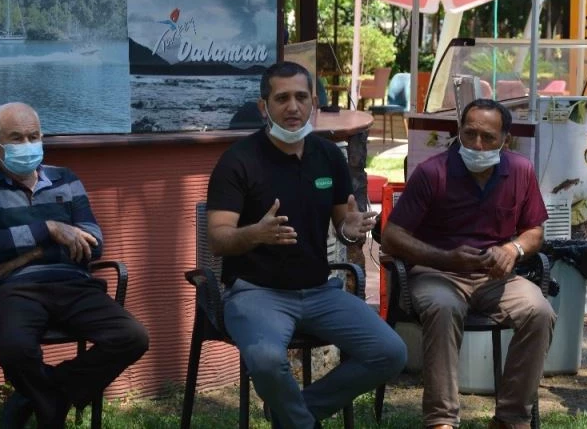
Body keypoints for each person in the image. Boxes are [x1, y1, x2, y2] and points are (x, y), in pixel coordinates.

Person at [206, 61, 407, 429]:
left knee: (390, 352)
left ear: (314, 103)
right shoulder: (238, 160)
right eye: (282, 98)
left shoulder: (327, 155)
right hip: (256, 293)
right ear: (264, 107)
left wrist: (350, 229)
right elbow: (218, 239)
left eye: (301, 97)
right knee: (266, 361)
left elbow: (343, 225)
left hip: (319, 291)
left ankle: (292, 413)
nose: (293, 107)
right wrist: (256, 234)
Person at [0, 102, 149, 429]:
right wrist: (50, 229)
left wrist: (28, 254)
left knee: (132, 337)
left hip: (73, 285)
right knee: (15, 350)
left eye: (33, 136)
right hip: (14, 291)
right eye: (16, 138)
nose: (27, 144)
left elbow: (93, 243)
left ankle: (41, 397)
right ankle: (51, 401)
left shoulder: (66, 180)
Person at [381, 98, 555, 429]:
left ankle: (510, 419)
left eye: (488, 137)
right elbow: (392, 236)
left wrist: (513, 249)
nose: (477, 144)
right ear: (458, 131)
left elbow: (535, 232)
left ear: (505, 140)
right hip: (437, 272)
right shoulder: (432, 172)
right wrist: (445, 257)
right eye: (469, 133)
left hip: (494, 276)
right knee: (444, 307)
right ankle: (441, 420)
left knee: (539, 311)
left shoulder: (519, 170)